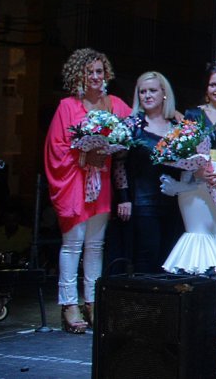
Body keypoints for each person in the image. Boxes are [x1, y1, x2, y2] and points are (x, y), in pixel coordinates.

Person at [44, 48, 131, 334]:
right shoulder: (67, 106)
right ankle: (69, 304)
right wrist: (85, 156)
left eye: (99, 71)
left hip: (101, 182)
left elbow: (135, 125)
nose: (95, 76)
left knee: (95, 246)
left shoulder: (114, 104)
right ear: (79, 75)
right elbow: (56, 147)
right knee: (72, 245)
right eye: (89, 71)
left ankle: (93, 302)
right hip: (74, 183)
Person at [163, 59, 216, 331]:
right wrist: (199, 170)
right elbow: (181, 149)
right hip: (195, 185)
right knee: (198, 237)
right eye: (213, 85)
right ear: (206, 88)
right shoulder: (192, 115)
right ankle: (193, 314)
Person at [115, 71, 183, 275]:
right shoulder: (132, 125)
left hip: (174, 203)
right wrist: (124, 198)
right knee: (147, 257)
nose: (147, 95)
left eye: (152, 90)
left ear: (164, 93)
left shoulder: (177, 126)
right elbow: (119, 163)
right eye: (142, 91)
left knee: (169, 260)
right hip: (143, 203)